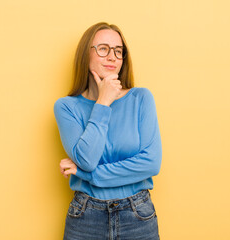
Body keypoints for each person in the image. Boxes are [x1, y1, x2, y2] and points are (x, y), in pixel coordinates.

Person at [54, 22, 162, 240]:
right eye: (103, 49)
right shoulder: (66, 107)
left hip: (138, 216)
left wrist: (86, 175)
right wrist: (103, 103)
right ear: (86, 55)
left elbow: (151, 164)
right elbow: (87, 159)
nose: (113, 57)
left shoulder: (141, 98)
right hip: (86, 217)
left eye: (118, 51)